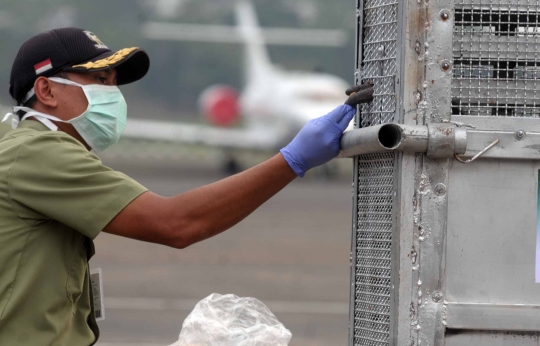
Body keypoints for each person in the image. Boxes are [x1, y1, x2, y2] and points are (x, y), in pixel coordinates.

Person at [0, 27, 373, 345]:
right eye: (99, 81)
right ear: (46, 91)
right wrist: (292, 160)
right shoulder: (37, 152)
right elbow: (176, 223)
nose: (112, 95)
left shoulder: (30, 147)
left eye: (113, 83)